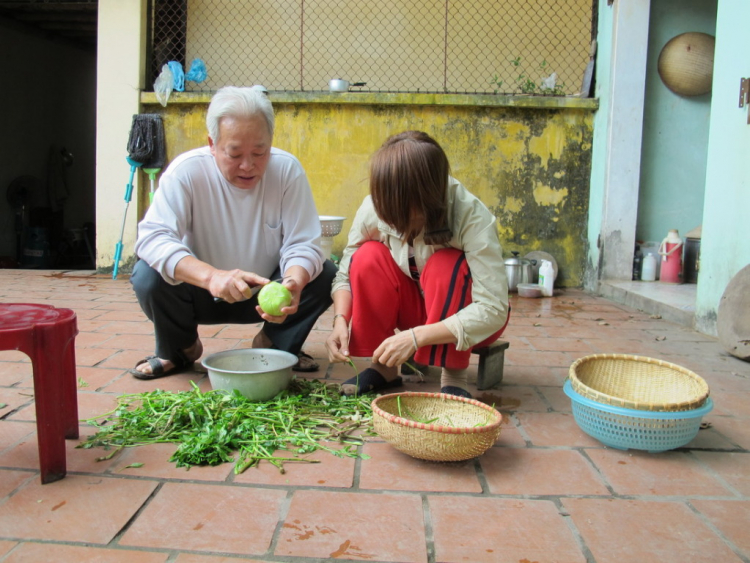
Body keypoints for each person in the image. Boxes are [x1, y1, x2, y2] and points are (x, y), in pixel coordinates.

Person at [129, 86, 336, 379]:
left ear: (270, 142)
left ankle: (274, 343)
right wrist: (212, 277)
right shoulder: (186, 172)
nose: (248, 165)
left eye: (259, 152)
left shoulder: (287, 170)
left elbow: (304, 243)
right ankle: (181, 348)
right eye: (234, 153)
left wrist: (293, 282)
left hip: (264, 293)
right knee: (147, 276)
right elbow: (153, 238)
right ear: (212, 143)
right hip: (200, 292)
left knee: (323, 273)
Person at [326, 131, 509, 398]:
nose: (392, 220)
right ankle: (384, 367)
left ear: (427, 200)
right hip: (418, 311)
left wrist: (415, 338)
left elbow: (493, 309)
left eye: (403, 213)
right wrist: (340, 320)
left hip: (472, 321)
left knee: (446, 264)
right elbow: (346, 274)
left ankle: (454, 374)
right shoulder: (375, 207)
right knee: (366, 257)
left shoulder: (470, 215)